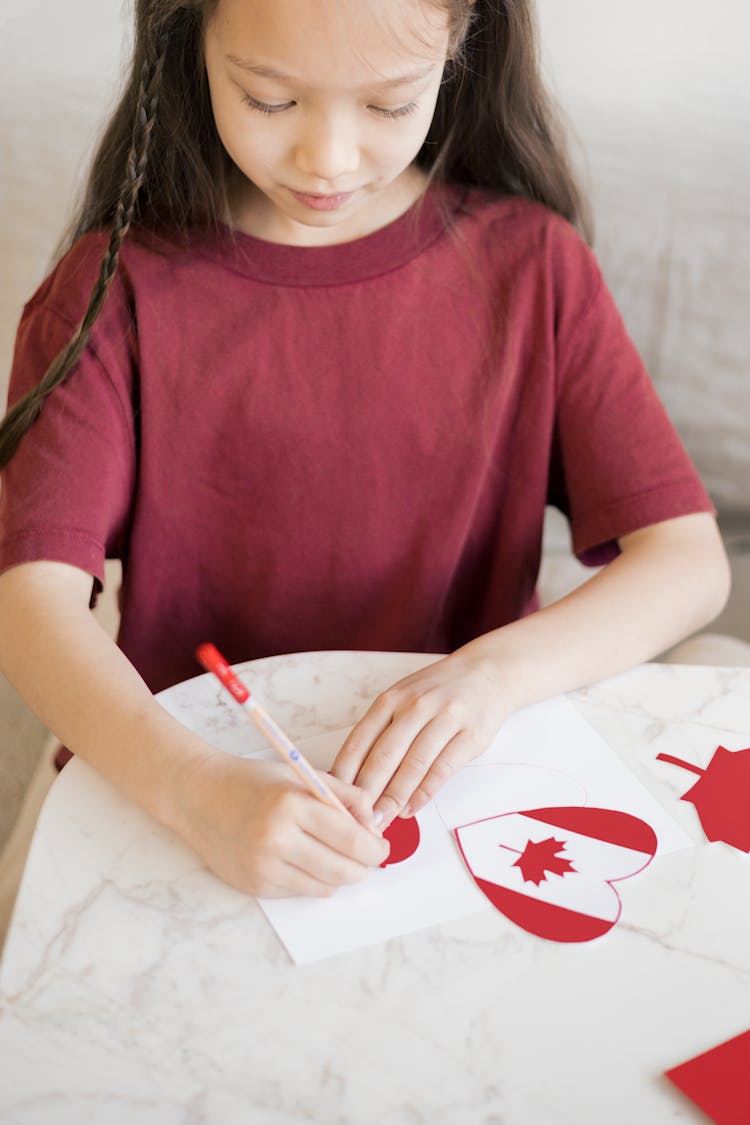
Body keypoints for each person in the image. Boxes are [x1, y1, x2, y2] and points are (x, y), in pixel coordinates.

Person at [0, 0, 731, 899]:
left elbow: (689, 563)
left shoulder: (534, 266)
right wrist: (192, 788)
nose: (328, 159)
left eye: (387, 105)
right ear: (187, 46)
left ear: (462, 53)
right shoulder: (114, 290)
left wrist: (491, 677)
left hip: (463, 795)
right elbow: (28, 603)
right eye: (270, 101)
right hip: (185, 780)